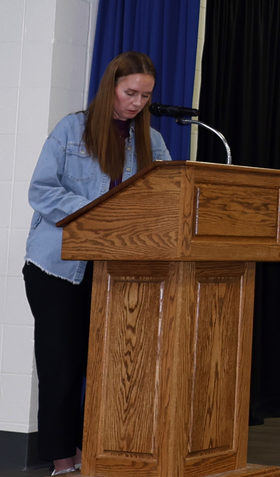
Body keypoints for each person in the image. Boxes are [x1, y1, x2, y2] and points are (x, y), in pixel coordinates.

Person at [24, 51, 171, 475]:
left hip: (119, 271)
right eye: (130, 93)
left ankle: (98, 452)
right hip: (59, 269)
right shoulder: (71, 130)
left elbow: (161, 200)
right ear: (112, 87)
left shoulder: (152, 142)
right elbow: (43, 191)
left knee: (111, 368)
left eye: (145, 96)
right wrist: (102, 209)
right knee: (60, 367)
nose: (137, 103)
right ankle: (62, 460)